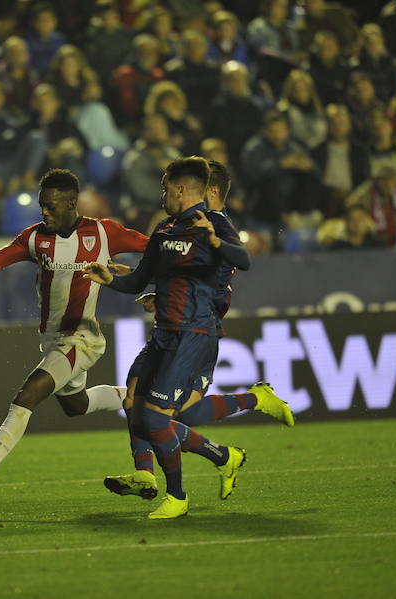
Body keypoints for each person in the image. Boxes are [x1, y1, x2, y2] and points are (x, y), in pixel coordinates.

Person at [0, 169, 149, 508]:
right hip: (54, 339)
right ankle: (139, 399)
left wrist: (159, 277)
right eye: (42, 206)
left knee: (28, 395)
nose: (44, 212)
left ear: (71, 203)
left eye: (51, 206)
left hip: (82, 338)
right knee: (75, 405)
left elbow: (156, 250)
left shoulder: (103, 232)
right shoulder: (35, 239)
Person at [83, 157, 284, 519]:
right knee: (135, 403)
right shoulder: (164, 230)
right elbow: (141, 278)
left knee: (158, 418)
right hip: (164, 333)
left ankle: (177, 495)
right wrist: (112, 279)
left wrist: (215, 241)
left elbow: (245, 259)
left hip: (194, 333)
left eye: (164, 188)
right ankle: (163, 470)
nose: (162, 195)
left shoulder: (215, 223)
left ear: (180, 189)